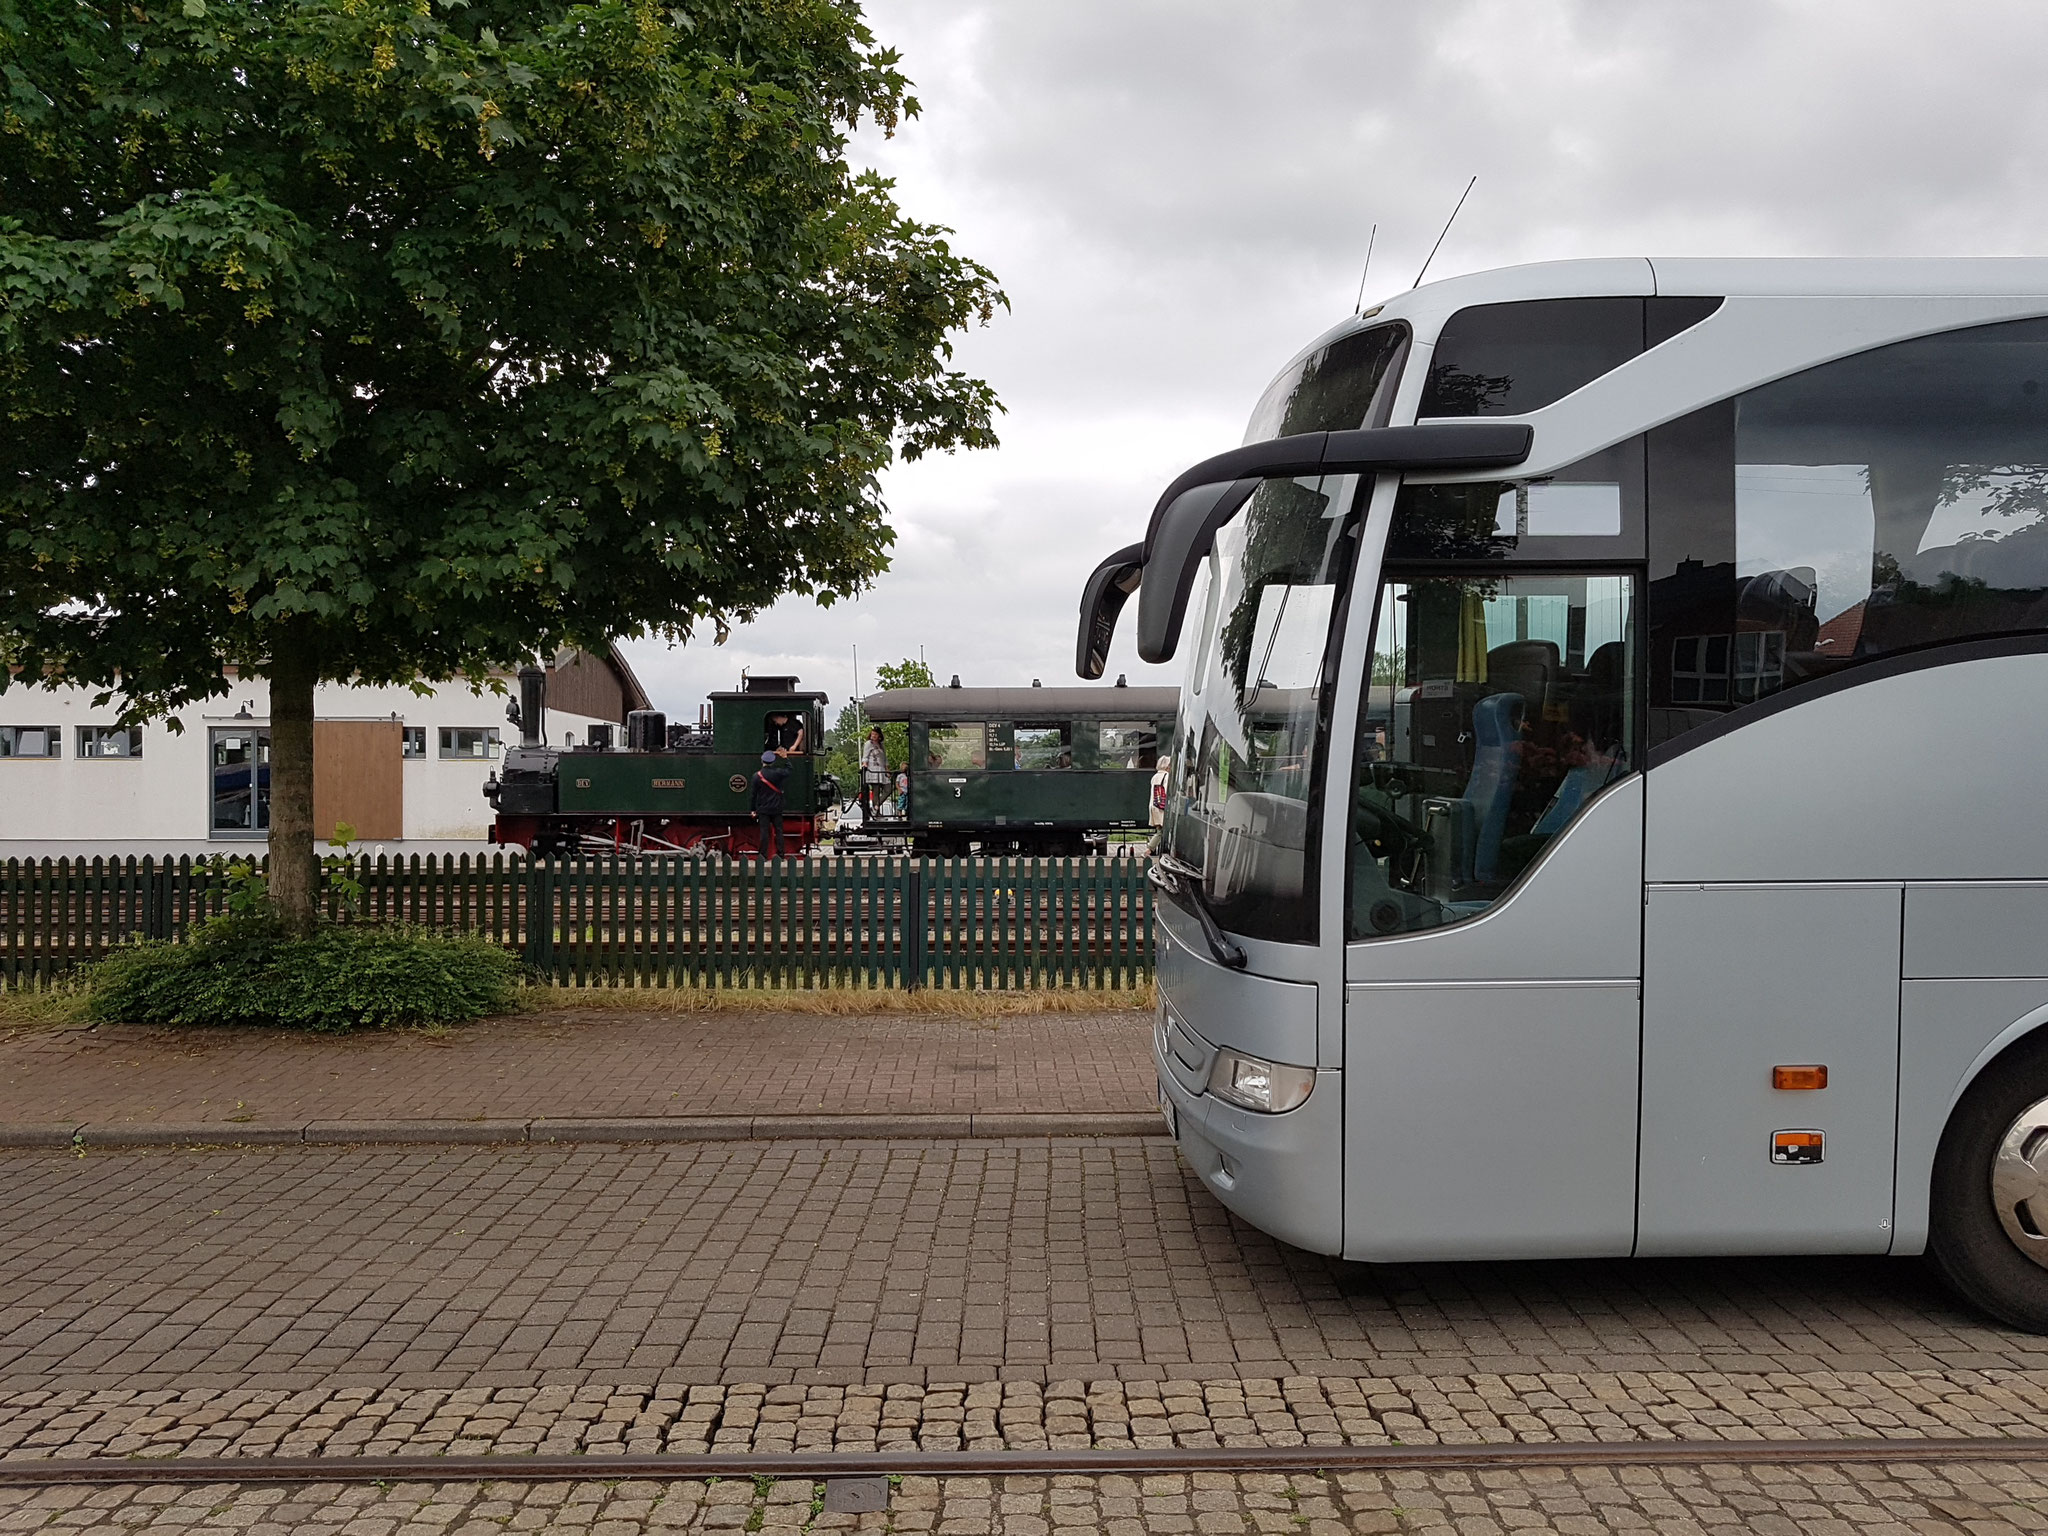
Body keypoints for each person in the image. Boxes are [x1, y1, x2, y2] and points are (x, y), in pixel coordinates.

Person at [752, 749, 790, 856]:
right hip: (777, 808)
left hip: (763, 809)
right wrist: (785, 758)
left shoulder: (757, 776)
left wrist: (753, 809)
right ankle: (781, 853)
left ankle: (763, 855)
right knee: (779, 831)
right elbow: (789, 770)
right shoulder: (778, 773)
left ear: (762, 761)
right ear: (773, 762)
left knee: (764, 832)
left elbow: (753, 795)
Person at [860, 726, 889, 820]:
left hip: (882, 770)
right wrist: (864, 764)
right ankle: (877, 814)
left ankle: (875, 808)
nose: (873, 736)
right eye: (872, 734)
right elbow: (865, 756)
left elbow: (885, 759)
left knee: (888, 789)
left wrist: (887, 769)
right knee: (875, 791)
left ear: (879, 735)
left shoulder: (881, 745)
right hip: (873, 769)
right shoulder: (869, 743)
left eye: (875, 734)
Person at [1149, 755, 1170, 828]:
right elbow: (1168, 792)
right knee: (1160, 832)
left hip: (1154, 805)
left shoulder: (1155, 776)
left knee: (1159, 829)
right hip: (1162, 807)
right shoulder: (1166, 776)